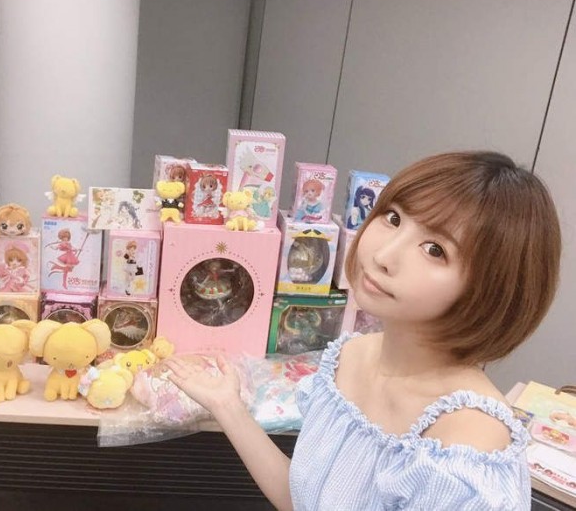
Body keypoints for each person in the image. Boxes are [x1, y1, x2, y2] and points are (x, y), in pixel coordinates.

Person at [166, 151, 562, 511]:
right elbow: (300, 498)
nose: (383, 255)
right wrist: (228, 406)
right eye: (393, 218)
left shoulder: (467, 446)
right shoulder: (350, 356)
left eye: (435, 250)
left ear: (493, 289)